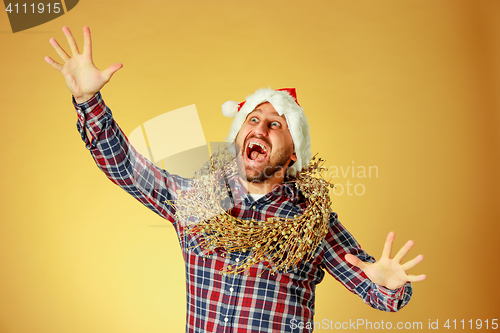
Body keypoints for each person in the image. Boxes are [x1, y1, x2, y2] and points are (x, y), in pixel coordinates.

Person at [45, 26, 426, 333]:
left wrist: (389, 285)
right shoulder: (197, 200)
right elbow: (126, 167)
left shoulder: (313, 223)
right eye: (253, 120)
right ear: (239, 137)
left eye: (276, 125)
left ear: (294, 153)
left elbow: (377, 292)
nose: (260, 128)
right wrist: (88, 102)